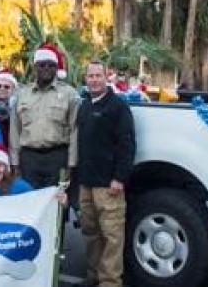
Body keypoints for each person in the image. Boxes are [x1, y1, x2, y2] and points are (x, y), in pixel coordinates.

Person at [77, 61, 136, 287]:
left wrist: (120, 178)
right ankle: (94, 274)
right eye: (90, 76)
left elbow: (126, 144)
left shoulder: (118, 106)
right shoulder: (84, 106)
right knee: (90, 233)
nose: (93, 80)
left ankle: (110, 281)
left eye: (97, 75)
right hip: (86, 183)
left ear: (106, 77)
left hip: (108, 185)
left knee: (112, 237)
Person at [9, 43, 79, 189]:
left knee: (57, 203)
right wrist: (14, 163)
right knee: (30, 202)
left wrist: (72, 164)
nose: (46, 68)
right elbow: (15, 131)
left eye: (51, 65)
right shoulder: (22, 94)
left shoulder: (69, 94)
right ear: (35, 68)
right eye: (42, 65)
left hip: (58, 156)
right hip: (29, 158)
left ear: (56, 68)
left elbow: (75, 131)